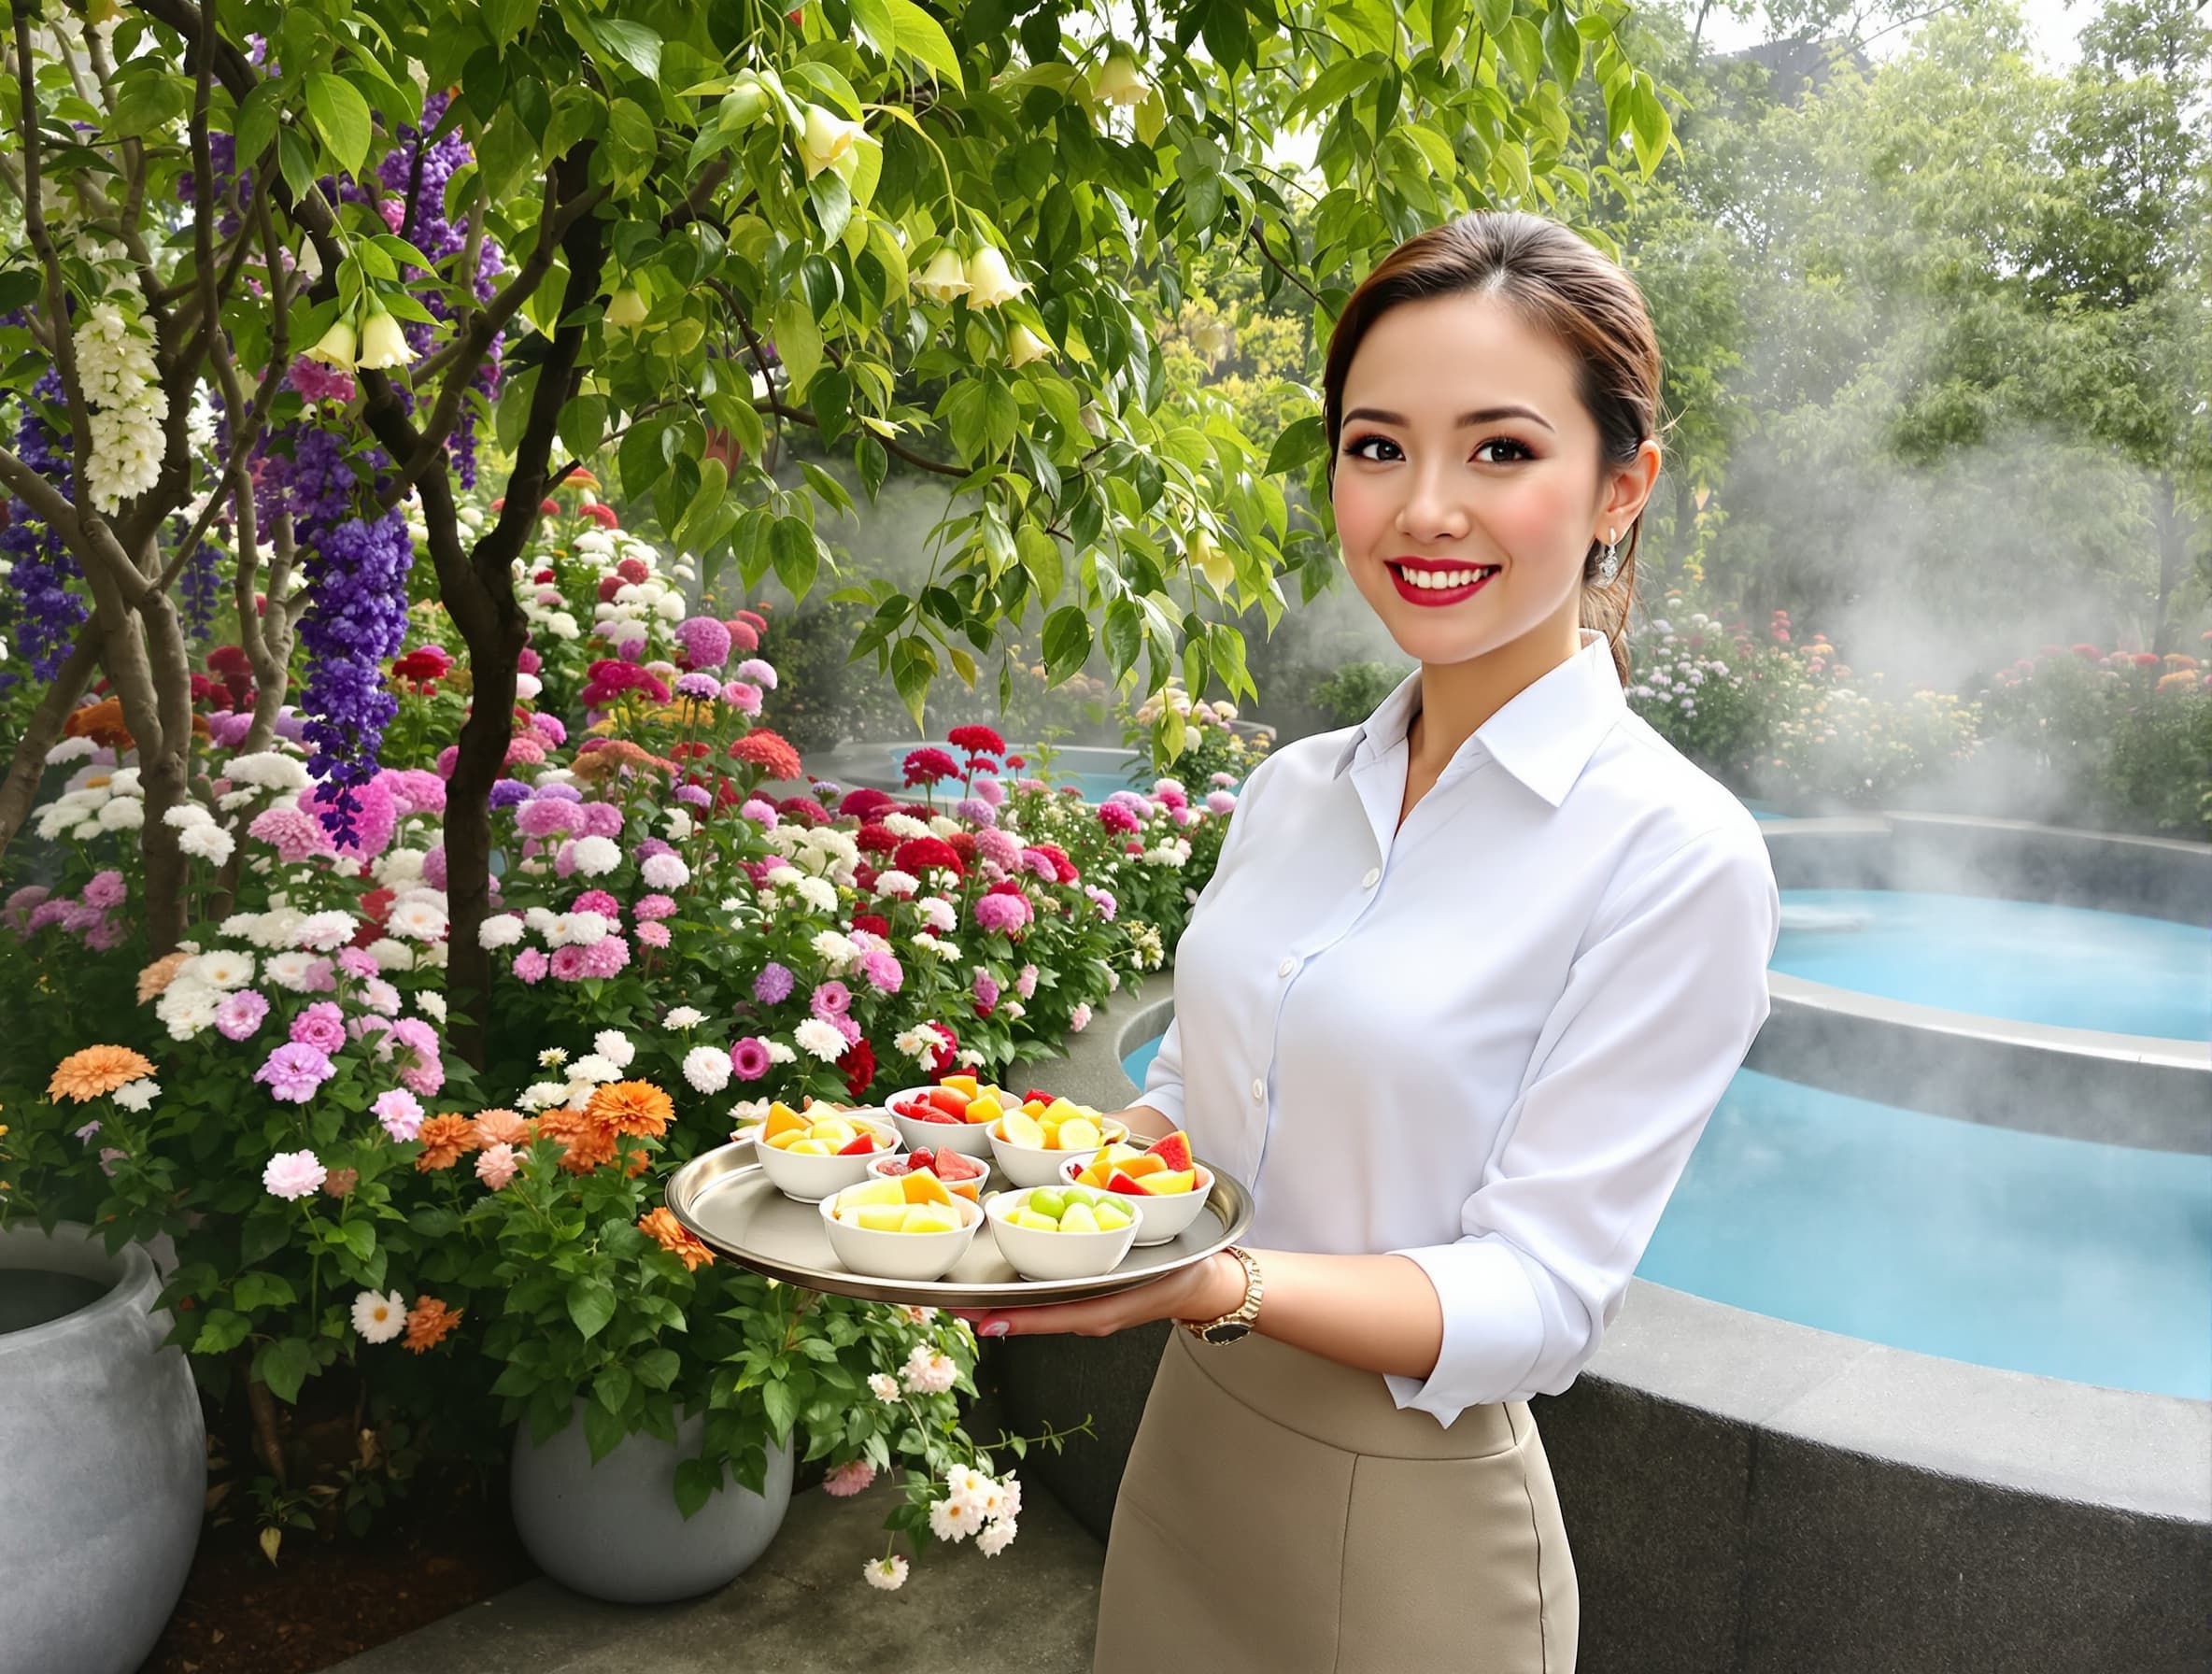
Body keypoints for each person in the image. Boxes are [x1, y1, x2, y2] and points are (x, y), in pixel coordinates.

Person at [955, 211, 1780, 1673]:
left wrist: (1216, 1284)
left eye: (1503, 451)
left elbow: (1540, 1298)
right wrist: (1024, 1165)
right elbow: (1210, 1108)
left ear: (1621, 486)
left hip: (1407, 1535)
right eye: (1378, 445)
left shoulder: (1671, 852)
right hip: (1191, 1455)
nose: (1425, 510)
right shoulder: (1294, 789)